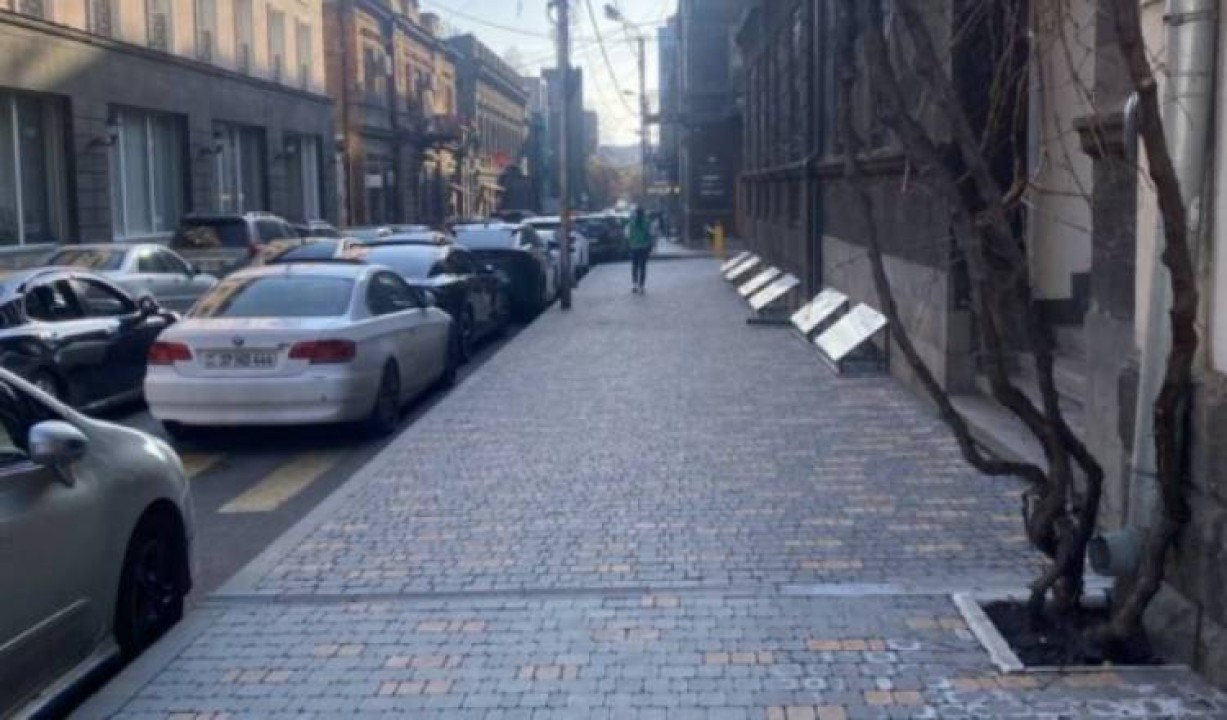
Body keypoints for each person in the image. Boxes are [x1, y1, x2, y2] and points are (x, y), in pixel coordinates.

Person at [627, 207, 653, 293]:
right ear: (643, 213)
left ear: (636, 213)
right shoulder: (647, 222)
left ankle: (634, 284)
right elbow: (650, 234)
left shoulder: (631, 223)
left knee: (634, 266)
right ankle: (641, 286)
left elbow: (628, 234)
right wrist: (650, 244)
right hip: (644, 247)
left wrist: (630, 243)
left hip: (634, 247)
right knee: (643, 267)